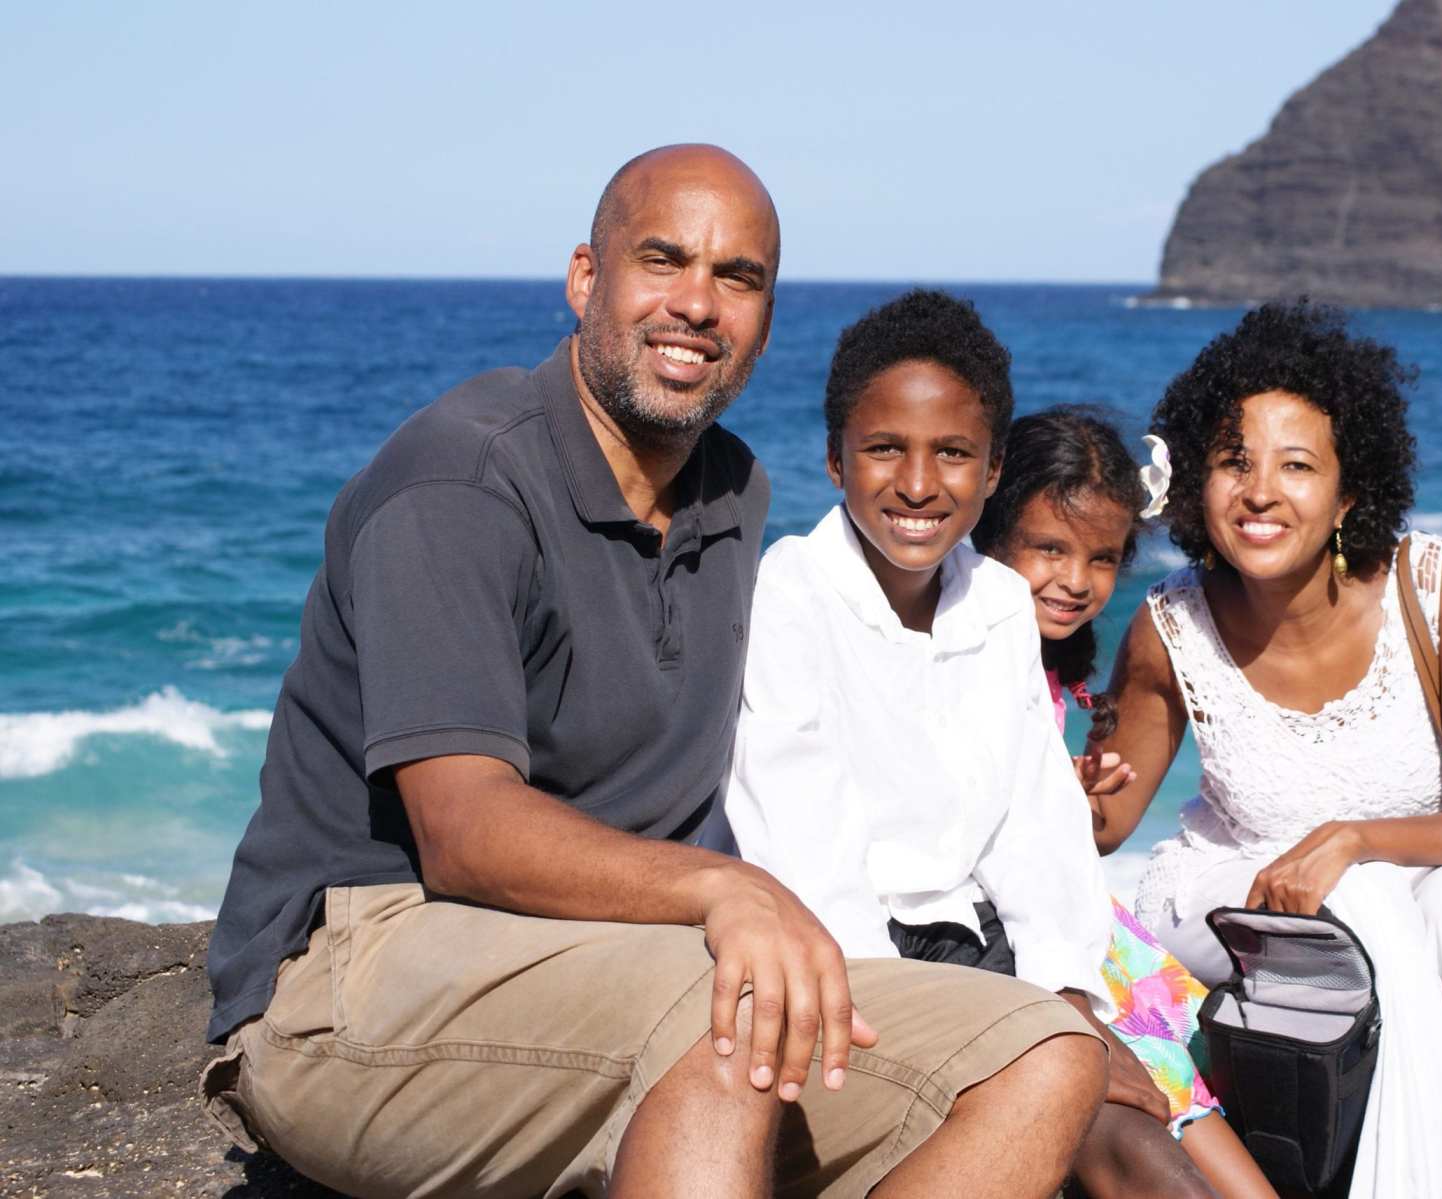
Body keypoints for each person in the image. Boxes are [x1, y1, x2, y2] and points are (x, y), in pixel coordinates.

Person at [199, 147, 1107, 1199]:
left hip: (624, 957)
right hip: (363, 969)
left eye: (737, 277)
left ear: (768, 315)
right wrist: (728, 888)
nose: (696, 304)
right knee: (727, 1014)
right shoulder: (463, 479)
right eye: (662, 259)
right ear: (587, 277)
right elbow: (461, 829)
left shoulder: (734, 494)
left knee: (1040, 1055)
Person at [1087, 301, 1442, 1198]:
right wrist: (1064, 774)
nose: (1260, 491)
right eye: (1234, 462)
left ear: (1349, 493)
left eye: (1297, 465)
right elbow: (1105, 823)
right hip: (1229, 893)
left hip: (1396, 883)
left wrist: (1349, 836)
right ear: (1198, 481)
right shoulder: (1169, 624)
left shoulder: (1432, 585)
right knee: (1374, 898)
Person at [729, 291, 1211, 1199]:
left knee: (1145, 1145)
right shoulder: (790, 598)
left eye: (952, 453)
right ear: (835, 458)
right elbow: (807, 854)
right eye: (884, 449)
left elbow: (1035, 831)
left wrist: (1069, 1000)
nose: (918, 482)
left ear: (992, 474)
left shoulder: (995, 603)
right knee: (1032, 1111)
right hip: (849, 964)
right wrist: (976, 1034)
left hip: (981, 949)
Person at [970, 406, 1277, 1199]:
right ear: (991, 530)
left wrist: (1066, 797)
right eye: (1049, 548)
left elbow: (1051, 824)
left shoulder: (1044, 661)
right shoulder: (969, 649)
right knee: (1166, 1083)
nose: (1076, 580)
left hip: (1078, 915)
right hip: (1014, 933)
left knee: (1185, 1067)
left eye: (1102, 558)